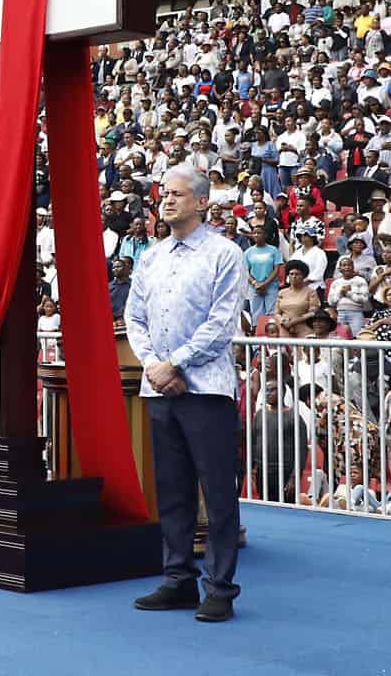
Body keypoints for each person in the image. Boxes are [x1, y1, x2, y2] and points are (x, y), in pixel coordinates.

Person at [126, 164, 247, 622]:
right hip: (159, 388)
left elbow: (222, 323)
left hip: (207, 390)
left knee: (217, 493)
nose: (168, 201)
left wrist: (175, 362)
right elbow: (134, 318)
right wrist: (155, 367)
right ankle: (178, 578)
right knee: (172, 490)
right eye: (164, 194)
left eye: (177, 194)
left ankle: (219, 587)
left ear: (202, 202)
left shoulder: (224, 253)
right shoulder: (151, 257)